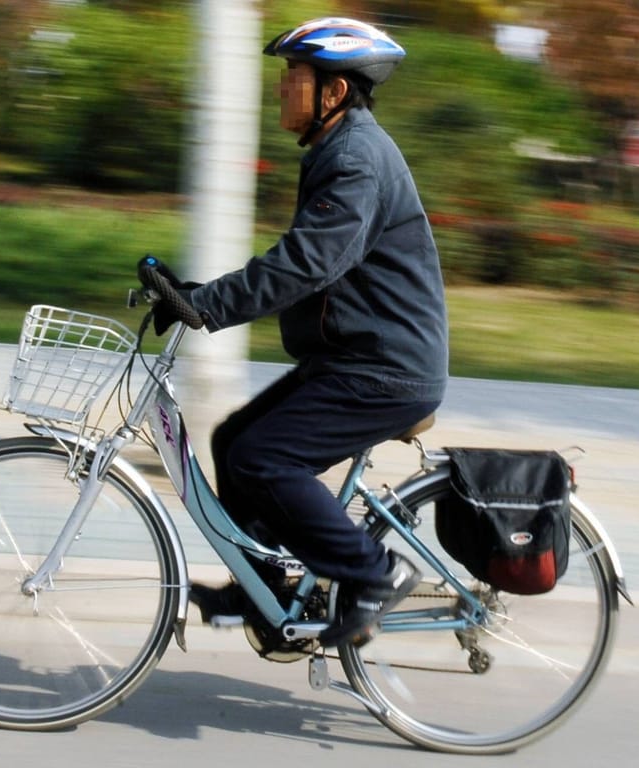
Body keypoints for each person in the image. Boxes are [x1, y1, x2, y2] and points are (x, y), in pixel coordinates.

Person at [156, 17, 449, 647]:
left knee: (265, 458)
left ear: (334, 92)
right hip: (355, 359)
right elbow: (306, 261)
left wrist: (204, 306)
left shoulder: (355, 159)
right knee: (236, 439)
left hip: (384, 370)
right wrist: (194, 299)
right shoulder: (340, 151)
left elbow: (306, 263)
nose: (280, 89)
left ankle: (374, 573)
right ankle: (268, 588)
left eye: (293, 77)